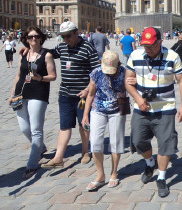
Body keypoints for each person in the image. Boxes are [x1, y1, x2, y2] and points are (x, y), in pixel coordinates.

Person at [125, 27, 182, 198]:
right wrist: (138, 99)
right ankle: (149, 162)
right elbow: (127, 81)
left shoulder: (172, 56)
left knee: (165, 144)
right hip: (141, 108)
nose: (149, 49)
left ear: (160, 42)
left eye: (152, 46)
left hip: (165, 108)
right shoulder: (135, 56)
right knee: (138, 141)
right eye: (146, 46)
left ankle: (161, 177)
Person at [40, 21, 100, 168]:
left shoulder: (87, 47)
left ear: (76, 32)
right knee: (64, 126)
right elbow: (49, 53)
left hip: (82, 95)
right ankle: (58, 158)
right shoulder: (62, 46)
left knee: (83, 124)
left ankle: (85, 151)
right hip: (65, 93)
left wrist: (87, 89)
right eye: (63, 36)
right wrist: (30, 50)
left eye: (68, 36)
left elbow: (97, 71)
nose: (65, 39)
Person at [8, 27, 56, 179]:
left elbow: (53, 76)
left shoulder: (47, 55)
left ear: (41, 38)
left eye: (36, 36)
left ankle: (32, 165)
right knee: (24, 128)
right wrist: (11, 94)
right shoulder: (23, 53)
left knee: (36, 130)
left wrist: (40, 78)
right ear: (26, 39)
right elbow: (18, 76)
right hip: (21, 94)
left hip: (38, 93)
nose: (33, 39)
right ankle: (40, 148)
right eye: (30, 37)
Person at [82, 51, 128, 190]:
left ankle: (114, 173)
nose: (108, 73)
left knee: (116, 142)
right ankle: (100, 175)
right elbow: (90, 94)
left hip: (117, 110)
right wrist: (85, 115)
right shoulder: (96, 72)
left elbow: (132, 88)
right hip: (98, 109)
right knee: (95, 142)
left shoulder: (124, 72)